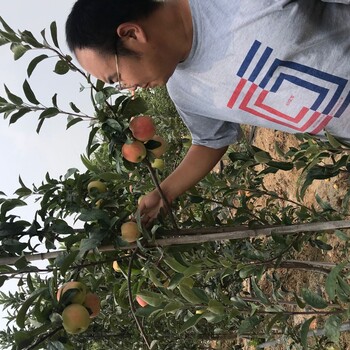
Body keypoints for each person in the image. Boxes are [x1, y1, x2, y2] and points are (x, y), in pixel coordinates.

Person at [66, 0, 350, 225]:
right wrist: (165, 192)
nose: (129, 89)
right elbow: (209, 141)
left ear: (131, 34)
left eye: (116, 77)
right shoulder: (184, 91)